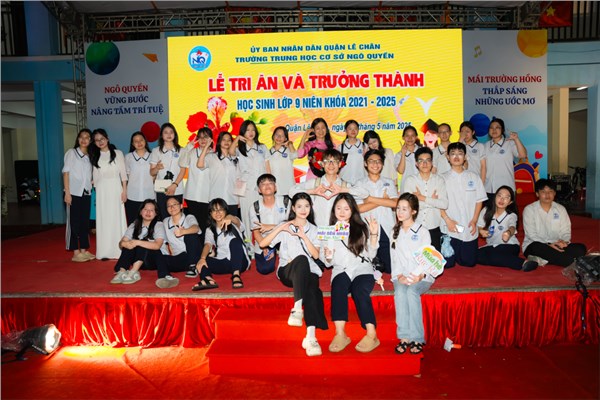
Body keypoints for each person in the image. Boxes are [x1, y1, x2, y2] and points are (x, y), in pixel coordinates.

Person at [258, 193, 328, 357]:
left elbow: (316, 255)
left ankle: (310, 337)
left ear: (311, 208)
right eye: (299, 206)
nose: (303, 210)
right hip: (288, 271)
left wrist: (304, 237)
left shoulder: (315, 229)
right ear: (294, 209)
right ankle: (297, 309)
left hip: (309, 271)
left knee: (312, 287)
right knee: (301, 260)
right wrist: (280, 228)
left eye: (307, 206)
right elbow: (262, 244)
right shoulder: (285, 226)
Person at [324, 193, 381, 353]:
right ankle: (340, 333)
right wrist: (328, 255)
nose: (342, 212)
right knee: (338, 287)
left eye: (346, 208)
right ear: (334, 210)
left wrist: (374, 235)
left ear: (353, 210)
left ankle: (372, 334)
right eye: (339, 208)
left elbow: (371, 255)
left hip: (362, 268)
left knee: (359, 290)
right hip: (341, 269)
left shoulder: (362, 227)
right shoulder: (329, 231)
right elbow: (328, 262)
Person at [390, 193, 434, 355]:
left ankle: (417, 338)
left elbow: (428, 258)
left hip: (422, 276)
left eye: (404, 209)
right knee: (400, 292)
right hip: (402, 275)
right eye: (398, 208)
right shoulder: (394, 232)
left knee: (411, 292)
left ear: (413, 211)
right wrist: (399, 276)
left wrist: (420, 275)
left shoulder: (423, 232)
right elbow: (394, 258)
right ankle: (404, 337)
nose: (400, 212)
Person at [289, 149, 368, 227]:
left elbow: (365, 194)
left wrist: (343, 190)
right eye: (327, 161)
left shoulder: (344, 185)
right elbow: (291, 192)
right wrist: (312, 191)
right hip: (317, 230)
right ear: (322, 164)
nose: (331, 164)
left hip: (338, 231)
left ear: (340, 164)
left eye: (335, 161)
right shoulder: (314, 183)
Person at [440, 142, 487, 268]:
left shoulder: (474, 177)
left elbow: (479, 200)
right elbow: (437, 203)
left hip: (468, 226)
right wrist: (448, 220)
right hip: (449, 227)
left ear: (465, 157)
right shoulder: (441, 178)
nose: (456, 157)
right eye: (453, 154)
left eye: (460, 154)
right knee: (447, 264)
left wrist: (475, 220)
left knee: (469, 262)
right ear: (448, 157)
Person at [522, 179, 587, 267]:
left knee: (581, 248)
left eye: (550, 191)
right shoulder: (529, 210)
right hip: (537, 245)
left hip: (557, 245)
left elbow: (565, 230)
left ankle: (542, 260)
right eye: (543, 192)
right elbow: (531, 235)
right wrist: (549, 245)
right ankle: (568, 261)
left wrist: (563, 242)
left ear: (554, 193)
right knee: (536, 247)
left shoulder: (560, 209)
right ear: (537, 194)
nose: (547, 194)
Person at [477, 186, 538, 272]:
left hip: (509, 246)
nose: (502, 200)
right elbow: (478, 226)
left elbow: (512, 227)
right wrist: (480, 231)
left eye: (506, 197)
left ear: (510, 202)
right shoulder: (486, 210)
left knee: (491, 254)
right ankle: (504, 259)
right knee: (475, 255)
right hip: (492, 246)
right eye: (499, 196)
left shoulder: (511, 215)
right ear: (495, 197)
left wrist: (508, 233)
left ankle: (523, 263)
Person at [357, 149, 398, 274]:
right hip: (367, 228)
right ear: (365, 163)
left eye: (378, 161)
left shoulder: (389, 182)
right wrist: (384, 200)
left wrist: (369, 199)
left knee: (390, 269)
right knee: (367, 269)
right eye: (371, 161)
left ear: (382, 164)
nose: (375, 164)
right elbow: (359, 208)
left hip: (386, 227)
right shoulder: (359, 184)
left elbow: (395, 203)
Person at [193, 198, 249, 290]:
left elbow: (236, 220)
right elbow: (207, 245)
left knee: (234, 241)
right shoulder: (210, 230)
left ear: (226, 211)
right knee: (203, 258)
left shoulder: (234, 223)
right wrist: (202, 259)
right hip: (223, 262)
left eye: (221, 209)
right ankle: (208, 279)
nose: (217, 212)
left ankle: (236, 275)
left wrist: (229, 217)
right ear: (210, 213)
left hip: (240, 262)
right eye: (214, 210)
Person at [89, 128, 128, 260]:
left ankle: (119, 250)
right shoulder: (95, 156)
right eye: (97, 140)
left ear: (107, 139)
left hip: (116, 188)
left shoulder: (118, 153)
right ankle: (104, 251)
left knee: (116, 218)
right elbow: (95, 177)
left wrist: (124, 191)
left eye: (102, 139)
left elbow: (123, 174)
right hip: (102, 190)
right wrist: (95, 191)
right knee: (104, 219)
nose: (100, 142)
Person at [403, 147, 448, 251]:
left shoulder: (439, 180)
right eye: (421, 161)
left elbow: (444, 204)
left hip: (434, 227)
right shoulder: (410, 180)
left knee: (434, 258)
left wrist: (422, 198)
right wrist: (433, 202)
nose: (424, 163)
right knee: (414, 257)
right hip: (415, 227)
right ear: (416, 163)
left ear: (432, 163)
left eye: (428, 160)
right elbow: (409, 206)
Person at [110, 199, 165, 284]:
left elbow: (157, 245)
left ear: (156, 213)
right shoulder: (134, 224)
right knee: (129, 244)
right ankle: (122, 271)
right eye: (145, 209)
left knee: (141, 242)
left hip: (151, 261)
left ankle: (133, 272)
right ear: (140, 211)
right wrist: (125, 243)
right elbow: (121, 243)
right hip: (136, 260)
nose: (148, 212)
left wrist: (138, 242)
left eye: (151, 210)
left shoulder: (159, 225)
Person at [230, 120, 268, 243]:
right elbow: (230, 152)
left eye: (253, 130)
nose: (251, 132)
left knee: (262, 216)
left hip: (261, 188)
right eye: (247, 130)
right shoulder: (239, 149)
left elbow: (267, 167)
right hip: (246, 189)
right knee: (247, 218)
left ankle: (263, 244)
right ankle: (249, 246)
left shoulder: (262, 147)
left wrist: (269, 185)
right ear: (243, 133)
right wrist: (237, 139)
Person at [155, 196, 202, 288]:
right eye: (169, 206)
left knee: (190, 235)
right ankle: (166, 276)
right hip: (179, 258)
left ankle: (193, 267)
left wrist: (183, 231)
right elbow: (163, 241)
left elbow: (196, 228)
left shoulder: (189, 217)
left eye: (174, 204)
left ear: (181, 206)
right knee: (156, 249)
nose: (172, 207)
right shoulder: (165, 221)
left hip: (193, 255)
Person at [63, 128, 94, 262]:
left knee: (84, 222)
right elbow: (66, 173)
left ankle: (84, 250)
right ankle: (75, 252)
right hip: (73, 193)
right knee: (73, 222)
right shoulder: (71, 153)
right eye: (82, 137)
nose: (84, 140)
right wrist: (67, 192)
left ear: (90, 140)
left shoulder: (90, 156)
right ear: (78, 139)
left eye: (87, 137)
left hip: (86, 192)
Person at [250, 174, 290, 275]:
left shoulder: (286, 202)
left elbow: (292, 225)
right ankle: (274, 252)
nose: (267, 186)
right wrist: (264, 247)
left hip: (285, 237)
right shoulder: (255, 207)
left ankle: (282, 252)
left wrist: (271, 226)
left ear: (275, 187)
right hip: (265, 239)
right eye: (263, 184)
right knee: (265, 269)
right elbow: (256, 232)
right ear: (259, 190)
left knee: (293, 263)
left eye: (270, 183)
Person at [484, 117, 527, 202]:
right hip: (488, 188)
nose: (494, 130)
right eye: (491, 128)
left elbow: (523, 155)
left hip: (506, 187)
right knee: (489, 210)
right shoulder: (485, 145)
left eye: (497, 127)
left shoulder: (509, 143)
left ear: (502, 130)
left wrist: (516, 139)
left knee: (508, 210)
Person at [197, 131, 239, 217]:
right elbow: (199, 165)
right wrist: (206, 147)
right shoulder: (212, 156)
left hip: (232, 199)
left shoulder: (236, 158)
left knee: (232, 223)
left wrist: (240, 199)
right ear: (219, 141)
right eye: (224, 139)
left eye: (229, 140)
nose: (226, 142)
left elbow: (239, 180)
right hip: (216, 198)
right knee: (216, 224)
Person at [150, 122, 186, 220]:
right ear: (161, 135)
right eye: (166, 132)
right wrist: (157, 168)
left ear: (175, 134)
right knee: (163, 216)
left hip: (177, 188)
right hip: (162, 189)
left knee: (177, 216)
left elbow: (183, 170)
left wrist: (174, 185)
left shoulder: (182, 150)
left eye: (171, 132)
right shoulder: (156, 150)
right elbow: (152, 172)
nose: (169, 134)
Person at [183, 127, 213, 235]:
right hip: (191, 195)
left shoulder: (214, 154)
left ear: (211, 139)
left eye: (206, 137)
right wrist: (188, 147)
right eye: (200, 137)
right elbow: (181, 163)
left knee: (205, 225)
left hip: (207, 197)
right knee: (193, 225)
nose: (203, 140)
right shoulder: (192, 152)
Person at [124, 131, 154, 225]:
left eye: (141, 140)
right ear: (132, 144)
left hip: (149, 194)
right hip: (132, 195)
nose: (139, 143)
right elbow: (126, 176)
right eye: (136, 141)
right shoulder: (128, 157)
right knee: (133, 223)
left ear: (145, 141)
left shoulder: (153, 156)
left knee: (149, 223)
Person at [265, 126, 298, 196]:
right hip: (275, 190)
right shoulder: (268, 153)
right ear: (273, 136)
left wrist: (290, 144)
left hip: (289, 189)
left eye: (282, 136)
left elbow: (295, 155)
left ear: (285, 138)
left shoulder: (288, 150)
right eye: (277, 134)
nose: (279, 137)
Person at [337, 119, 366, 185]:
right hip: (344, 182)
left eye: (355, 128)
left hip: (361, 182)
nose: (353, 131)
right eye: (350, 129)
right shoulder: (340, 148)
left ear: (358, 130)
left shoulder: (364, 146)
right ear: (346, 130)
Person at [395, 125, 422, 192]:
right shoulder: (399, 155)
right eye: (407, 135)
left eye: (412, 135)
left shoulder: (422, 151)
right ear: (403, 137)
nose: (410, 138)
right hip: (406, 187)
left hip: (421, 186)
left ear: (416, 137)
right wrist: (403, 154)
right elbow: (401, 171)